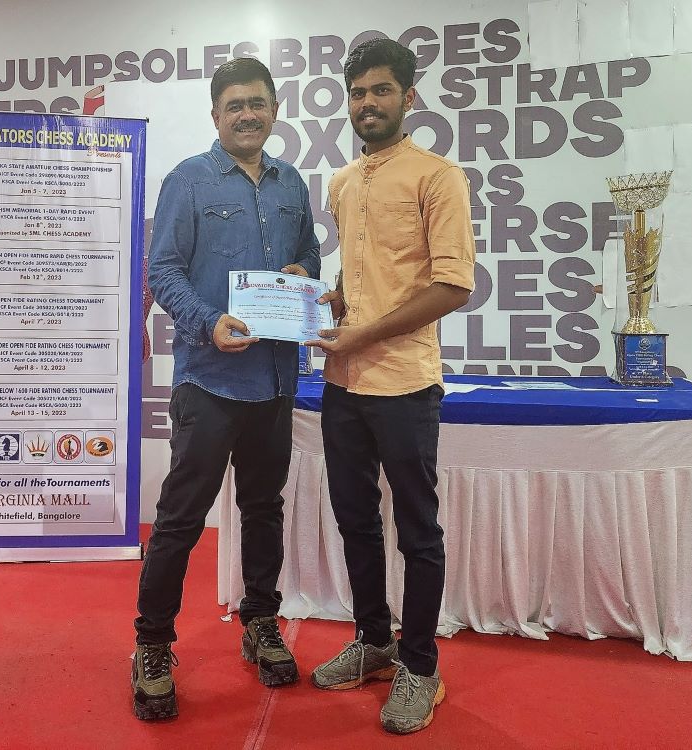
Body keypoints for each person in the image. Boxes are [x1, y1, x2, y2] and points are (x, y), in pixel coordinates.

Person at [132, 56, 321, 720]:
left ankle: (260, 622)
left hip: (274, 380)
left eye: (257, 103)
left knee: (263, 509)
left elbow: (311, 254)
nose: (247, 115)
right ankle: (152, 643)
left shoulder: (291, 183)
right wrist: (208, 322)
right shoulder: (187, 180)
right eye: (235, 105)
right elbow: (162, 270)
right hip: (209, 382)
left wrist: (303, 271)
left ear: (274, 110)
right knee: (181, 519)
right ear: (216, 115)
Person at [305, 39, 476, 735]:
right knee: (354, 519)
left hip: (405, 383)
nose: (367, 104)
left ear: (409, 97)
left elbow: (453, 286)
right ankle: (375, 641)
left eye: (381, 91)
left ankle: (421, 665)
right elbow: (362, 282)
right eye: (357, 93)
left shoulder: (439, 177)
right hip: (343, 382)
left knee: (418, 530)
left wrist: (364, 333)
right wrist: (327, 302)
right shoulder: (343, 183)